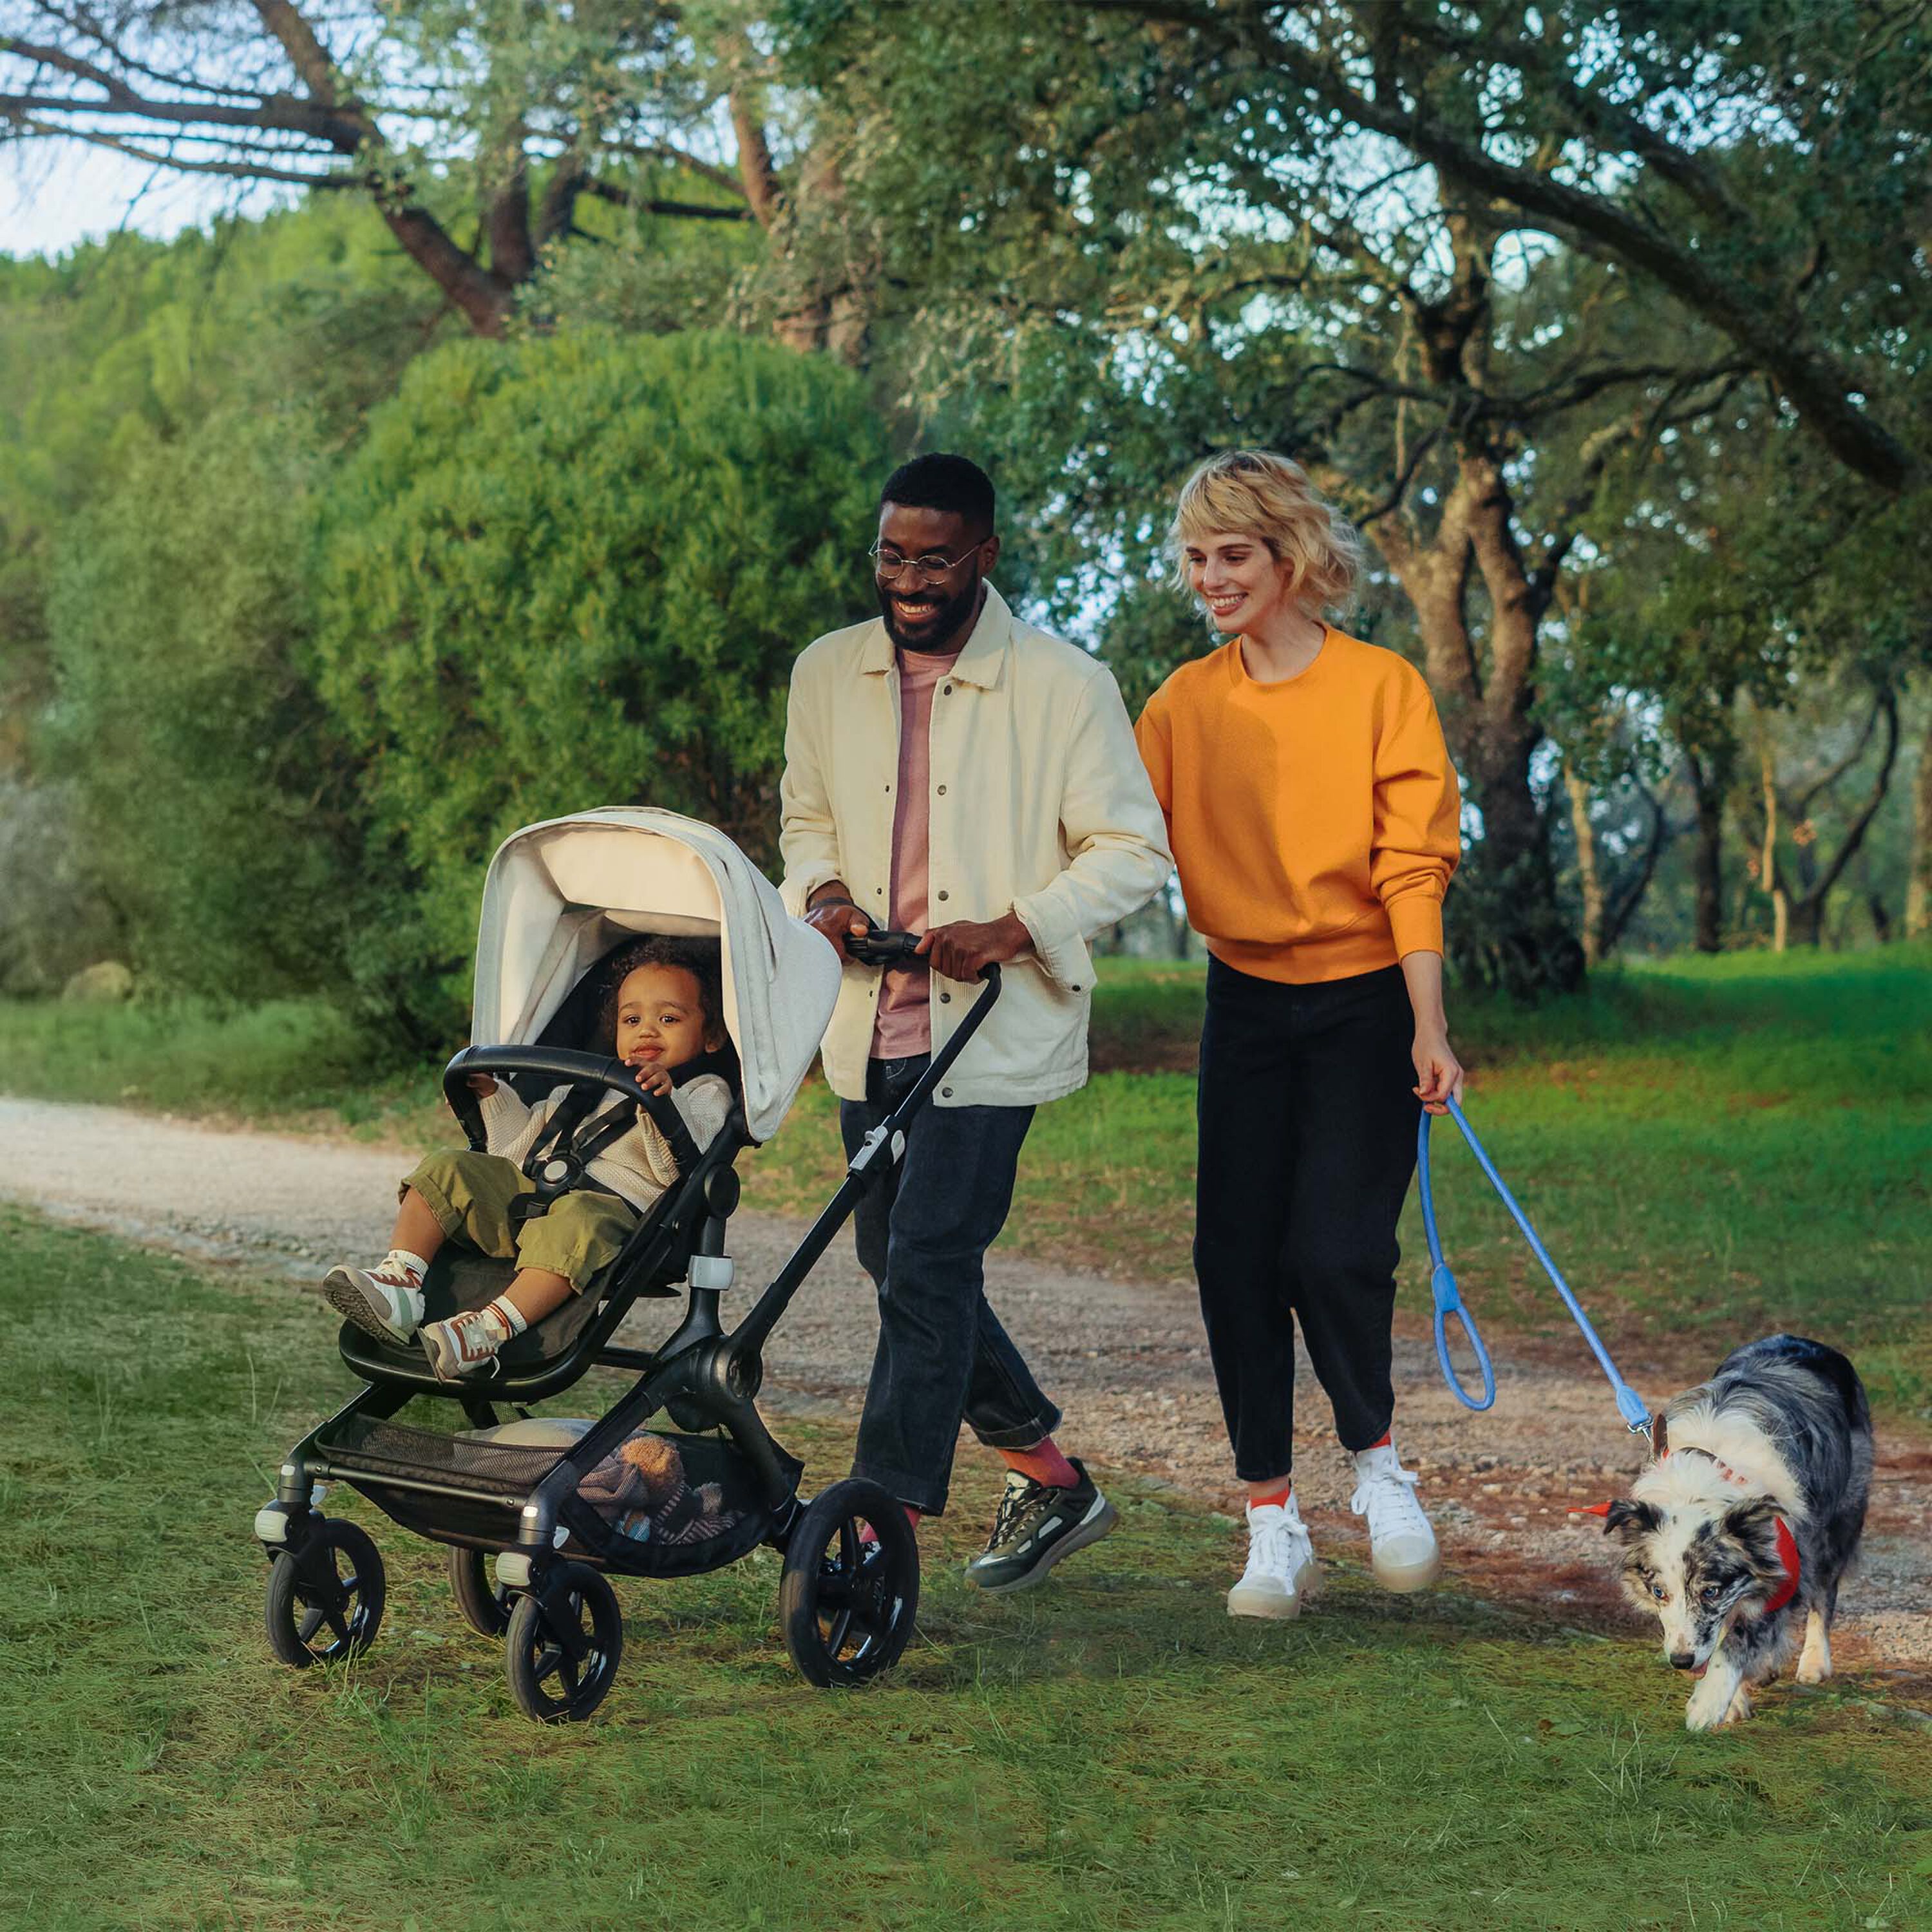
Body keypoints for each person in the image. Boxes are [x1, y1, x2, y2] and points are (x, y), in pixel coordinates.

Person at [780, 452, 1172, 1589]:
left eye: (936, 558)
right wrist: (827, 897)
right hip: (869, 1016)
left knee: (931, 1256)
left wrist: (1017, 924)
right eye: (892, 554)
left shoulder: (1062, 683)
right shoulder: (826, 673)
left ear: (986, 557)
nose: (909, 578)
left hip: (993, 1030)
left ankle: (874, 1531)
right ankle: (1051, 1478)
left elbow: (1133, 850)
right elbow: (807, 820)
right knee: (890, 1253)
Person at [1134, 450, 1464, 1620]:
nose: (1210, 579)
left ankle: (1379, 1470)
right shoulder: (1180, 706)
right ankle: (1272, 1523)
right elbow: (1117, 843)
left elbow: (1413, 866)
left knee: (1335, 1250)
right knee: (1233, 1260)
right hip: (1245, 1008)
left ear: (1291, 558)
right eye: (1195, 560)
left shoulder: (1382, 689)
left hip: (1368, 999)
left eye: (1232, 557)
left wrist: (1429, 1023)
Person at [323, 937, 735, 1381]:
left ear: (711, 1035)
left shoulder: (704, 1093)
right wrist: (493, 1096)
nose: (647, 1031)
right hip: (530, 1198)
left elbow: (682, 1164)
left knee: (578, 1216)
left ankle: (489, 1328)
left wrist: (663, 1100)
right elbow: (515, 1149)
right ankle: (401, 1284)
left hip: (605, 1217)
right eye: (631, 1018)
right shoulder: (582, 1087)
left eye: (669, 1018)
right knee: (449, 1166)